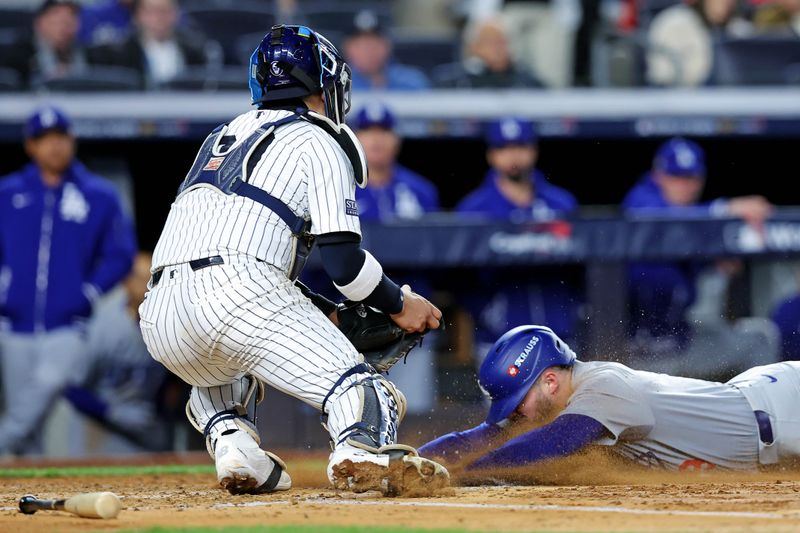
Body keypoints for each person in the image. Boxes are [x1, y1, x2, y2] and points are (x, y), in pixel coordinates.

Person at [138, 25, 449, 496]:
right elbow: (345, 267)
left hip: (160, 315)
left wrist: (323, 315)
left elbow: (235, 258)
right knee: (365, 393)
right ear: (324, 83)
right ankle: (359, 449)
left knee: (223, 367)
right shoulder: (319, 140)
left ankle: (234, 445)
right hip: (238, 293)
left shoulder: (219, 136)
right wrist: (399, 303)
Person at [420, 325, 800, 473]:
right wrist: (409, 463)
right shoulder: (549, 402)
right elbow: (479, 438)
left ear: (550, 381)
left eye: (518, 402)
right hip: (761, 429)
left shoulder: (603, 385)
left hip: (783, 407)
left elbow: (553, 442)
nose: (515, 413)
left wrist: (465, 474)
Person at [0, 105, 137, 455]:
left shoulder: (98, 194)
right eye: (44, 139)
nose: (54, 146)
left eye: (60, 137)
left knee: (48, 386)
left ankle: (2, 443)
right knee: (30, 426)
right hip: (14, 324)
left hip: (69, 324)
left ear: (71, 140)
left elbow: (121, 253)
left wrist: (89, 292)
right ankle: (27, 497)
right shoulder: (8, 192)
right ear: (30, 146)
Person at [623, 137, 779, 379]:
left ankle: (756, 415)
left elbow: (684, 240)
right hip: (633, 356)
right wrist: (724, 210)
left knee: (759, 340)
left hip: (679, 342)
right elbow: (665, 224)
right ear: (658, 175)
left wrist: (711, 261)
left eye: (692, 178)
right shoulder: (641, 199)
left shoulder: (693, 221)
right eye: (676, 177)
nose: (686, 186)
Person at [455, 117, 582, 357]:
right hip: (500, 338)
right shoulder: (473, 208)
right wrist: (487, 311)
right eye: (504, 148)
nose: (513, 156)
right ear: (491, 155)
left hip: (559, 335)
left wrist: (573, 308)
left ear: (533, 150)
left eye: (520, 146)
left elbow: (580, 267)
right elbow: (459, 277)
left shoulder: (561, 203)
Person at [63, 252, 169, 452]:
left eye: (155, 279)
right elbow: (70, 386)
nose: (150, 286)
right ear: (126, 282)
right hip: (100, 433)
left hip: (144, 434)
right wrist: (111, 413)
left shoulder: (166, 327)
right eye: (143, 279)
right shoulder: (103, 326)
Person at [351, 102, 439, 222]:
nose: (376, 139)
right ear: (353, 138)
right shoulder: (339, 190)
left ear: (397, 139)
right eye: (367, 131)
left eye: (384, 130)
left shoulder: (421, 191)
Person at [90, 0, 206, 89]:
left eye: (165, 11)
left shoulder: (195, 51)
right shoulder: (119, 54)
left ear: (176, 15)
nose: (159, 18)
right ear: (138, 16)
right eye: (152, 12)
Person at [646, 0, 753, 87]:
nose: (726, 3)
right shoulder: (672, 25)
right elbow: (662, 80)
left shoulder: (739, 30)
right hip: (684, 107)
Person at [3, 0, 88, 89]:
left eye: (71, 21)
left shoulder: (89, 54)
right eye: (59, 21)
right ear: (39, 22)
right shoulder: (18, 57)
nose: (65, 28)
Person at [435, 18, 541, 89]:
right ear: (473, 47)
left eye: (503, 42)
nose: (499, 48)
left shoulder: (526, 81)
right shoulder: (453, 82)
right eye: (491, 42)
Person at [342, 9, 431, 91]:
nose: (370, 52)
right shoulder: (337, 84)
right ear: (347, 49)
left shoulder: (413, 81)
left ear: (388, 46)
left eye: (375, 44)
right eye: (361, 46)